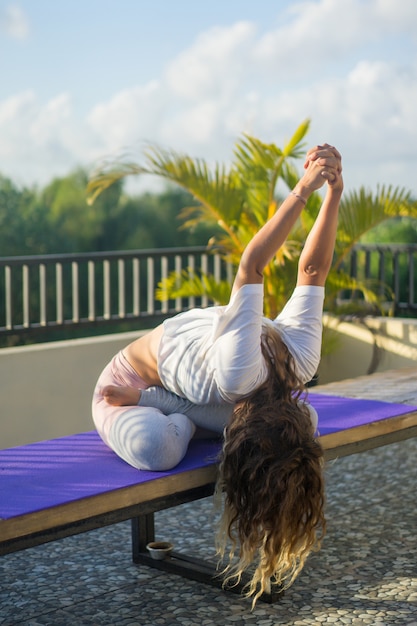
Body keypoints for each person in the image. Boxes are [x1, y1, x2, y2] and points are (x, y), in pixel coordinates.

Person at [92, 143, 343, 604]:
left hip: (207, 396)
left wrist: (333, 195)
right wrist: (307, 192)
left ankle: (188, 422)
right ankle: (179, 417)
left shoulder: (300, 363)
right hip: (126, 388)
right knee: (161, 447)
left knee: (164, 444)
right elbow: (252, 266)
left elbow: (311, 269)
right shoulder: (248, 370)